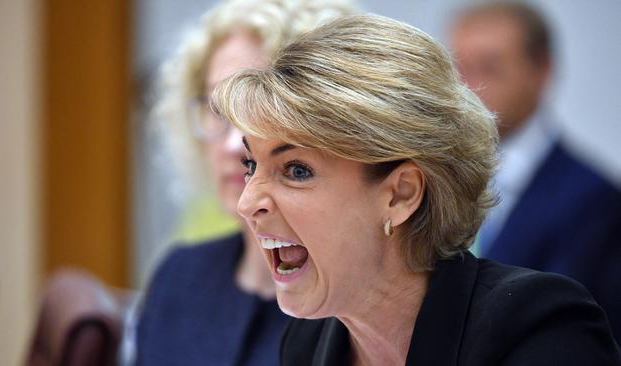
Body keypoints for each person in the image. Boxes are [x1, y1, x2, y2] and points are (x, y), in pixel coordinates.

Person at [212, 14, 621, 365]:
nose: (248, 203)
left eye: (296, 170)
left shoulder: (538, 329)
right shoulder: (306, 343)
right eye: (252, 165)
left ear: (401, 194)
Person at [133, 0, 355, 365]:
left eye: (262, 110)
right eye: (217, 109)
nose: (234, 143)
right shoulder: (178, 276)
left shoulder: (357, 304)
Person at [449, 2, 621, 343]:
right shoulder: (425, 180)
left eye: (490, 68)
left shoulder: (594, 199)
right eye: (458, 70)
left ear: (541, 69)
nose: (469, 88)